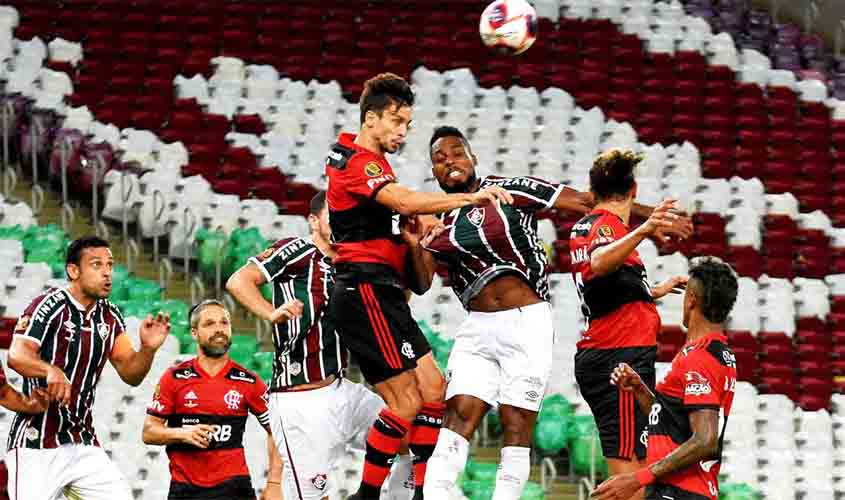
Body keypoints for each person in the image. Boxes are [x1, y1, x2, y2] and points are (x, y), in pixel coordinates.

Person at [417, 127, 690, 500]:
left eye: (456, 152)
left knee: (516, 425)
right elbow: (420, 283)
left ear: (473, 158)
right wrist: (418, 242)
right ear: (433, 169)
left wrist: (648, 217)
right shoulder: (437, 218)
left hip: (526, 319)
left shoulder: (509, 188)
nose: (449, 161)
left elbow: (581, 201)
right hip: (476, 325)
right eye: (439, 158)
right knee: (458, 415)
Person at [324, 73, 513, 500]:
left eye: (407, 123)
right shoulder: (356, 160)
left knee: (434, 391)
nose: (402, 132)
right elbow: (405, 200)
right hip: (363, 290)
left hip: (385, 294)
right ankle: (366, 495)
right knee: (406, 403)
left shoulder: (375, 165)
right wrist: (470, 198)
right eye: (395, 121)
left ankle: (421, 490)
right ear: (371, 119)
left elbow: (418, 271)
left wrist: (414, 237)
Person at [227, 191, 415, 500]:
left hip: (343, 390)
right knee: (314, 496)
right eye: (335, 214)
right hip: (299, 400)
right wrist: (269, 313)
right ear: (314, 221)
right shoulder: (296, 250)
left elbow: (391, 304)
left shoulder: (352, 264)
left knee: (408, 433)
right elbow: (238, 281)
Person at [6, 236, 171, 500]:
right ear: (73, 271)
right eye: (96, 265)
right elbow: (17, 355)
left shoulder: (110, 316)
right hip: (36, 443)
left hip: (82, 441)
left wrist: (148, 349)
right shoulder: (49, 306)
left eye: (110, 265)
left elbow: (131, 374)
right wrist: (50, 370)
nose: (107, 272)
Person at [569, 150, 689, 500]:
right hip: (618, 359)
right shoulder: (605, 228)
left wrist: (651, 292)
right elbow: (600, 262)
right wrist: (648, 227)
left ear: (592, 190)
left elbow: (602, 288)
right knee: (629, 476)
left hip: (614, 353)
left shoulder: (594, 227)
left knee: (637, 469)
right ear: (634, 190)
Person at [592, 257, 738, 500]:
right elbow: (672, 422)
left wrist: (636, 479)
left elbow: (705, 440)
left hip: (680, 491)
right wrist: (640, 389)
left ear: (691, 299)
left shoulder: (699, 357)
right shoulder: (719, 353)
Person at [143, 299, 284, 500]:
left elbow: (277, 430)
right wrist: (182, 434)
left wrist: (274, 483)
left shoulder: (249, 381)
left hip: (234, 488)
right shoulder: (174, 377)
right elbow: (149, 432)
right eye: (210, 324)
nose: (219, 329)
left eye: (224, 323)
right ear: (194, 333)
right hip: (185, 489)